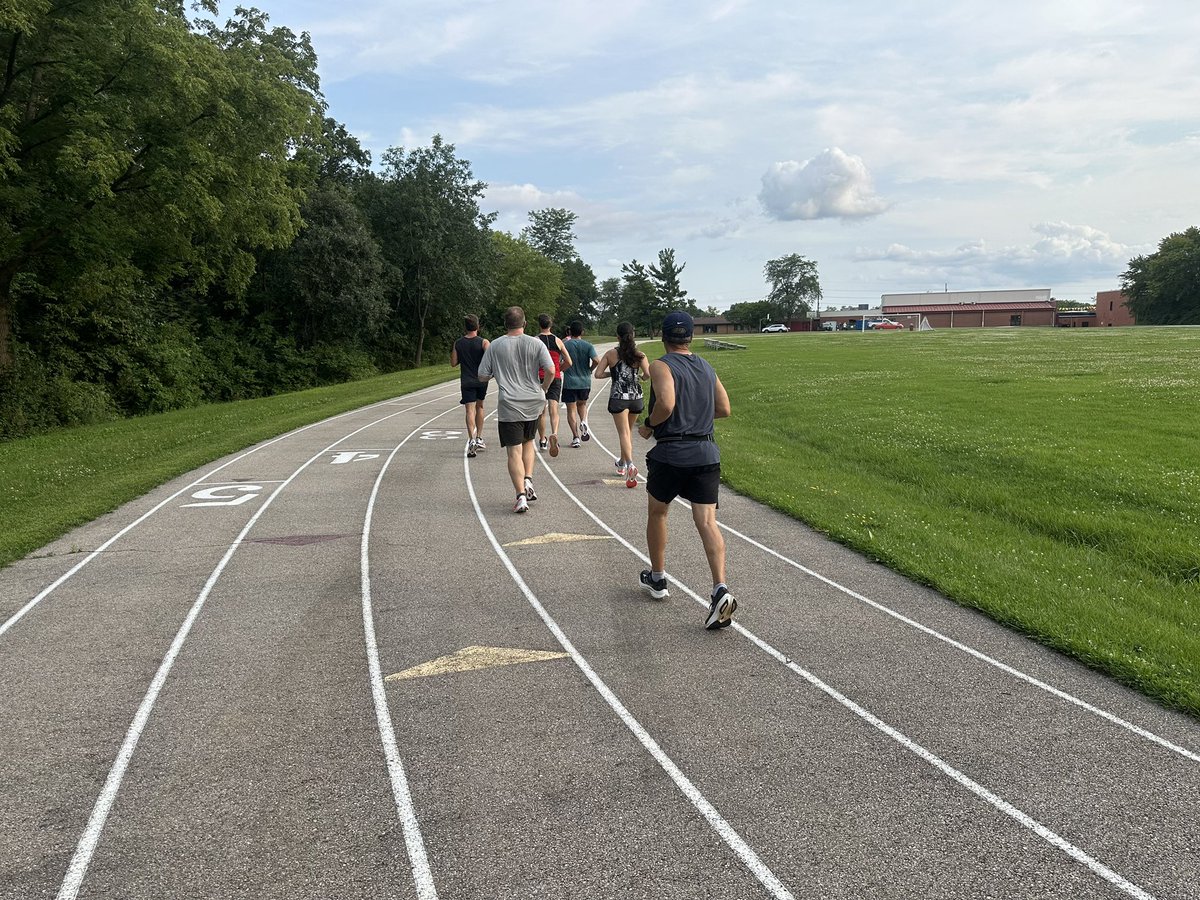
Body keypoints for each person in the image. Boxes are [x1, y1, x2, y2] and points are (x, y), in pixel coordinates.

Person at [636, 310, 736, 630]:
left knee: (658, 513)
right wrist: (697, 419)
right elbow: (724, 408)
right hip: (706, 452)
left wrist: (649, 425)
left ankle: (658, 577)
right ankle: (720, 588)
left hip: (672, 453)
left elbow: (665, 403)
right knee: (707, 521)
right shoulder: (707, 366)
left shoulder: (661, 365)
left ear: (664, 337)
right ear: (690, 337)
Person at [476, 307, 556, 513]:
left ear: (505, 324)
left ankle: (520, 495)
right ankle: (528, 479)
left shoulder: (495, 345)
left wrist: (499, 372)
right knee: (529, 442)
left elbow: (482, 375)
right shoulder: (535, 343)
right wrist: (543, 388)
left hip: (509, 403)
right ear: (525, 323)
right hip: (533, 401)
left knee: (513, 451)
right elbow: (551, 370)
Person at [595, 321, 649, 489]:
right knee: (628, 433)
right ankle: (621, 462)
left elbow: (597, 374)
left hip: (619, 397)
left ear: (617, 336)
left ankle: (630, 465)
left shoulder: (611, 354)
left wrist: (613, 374)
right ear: (633, 335)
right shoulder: (640, 355)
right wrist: (639, 377)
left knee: (623, 433)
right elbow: (647, 374)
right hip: (635, 397)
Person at [450, 314, 489, 458]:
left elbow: (453, 363)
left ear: (465, 327)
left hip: (466, 380)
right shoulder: (484, 342)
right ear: (478, 326)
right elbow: (490, 359)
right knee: (480, 407)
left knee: (469, 410)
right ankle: (479, 436)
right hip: (481, 380)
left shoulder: (458, 343)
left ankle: (471, 439)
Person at [534, 313, 572, 458]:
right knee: (554, 408)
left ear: (540, 325)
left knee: (541, 410)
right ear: (551, 325)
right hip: (555, 376)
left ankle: (543, 440)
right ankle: (554, 433)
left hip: (540, 376)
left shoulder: (535, 341)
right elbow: (569, 361)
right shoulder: (558, 341)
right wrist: (559, 369)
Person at [561, 321, 598, 448]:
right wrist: (590, 369)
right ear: (582, 332)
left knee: (571, 410)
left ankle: (576, 437)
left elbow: (562, 361)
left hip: (570, 382)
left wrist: (563, 369)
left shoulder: (565, 345)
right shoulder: (588, 345)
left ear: (570, 332)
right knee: (582, 405)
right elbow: (596, 360)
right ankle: (583, 421)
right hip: (584, 381)